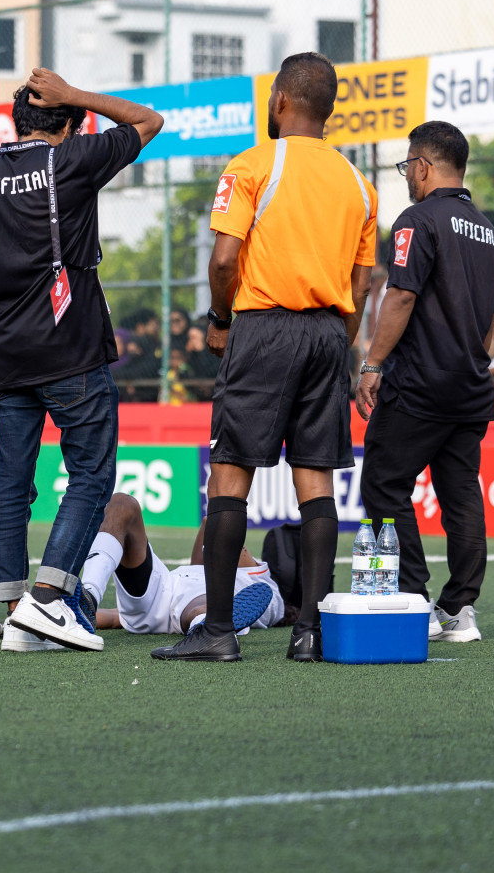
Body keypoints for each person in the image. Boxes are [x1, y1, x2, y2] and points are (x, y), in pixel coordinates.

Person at [154, 51, 376, 664]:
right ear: (327, 111)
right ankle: (310, 632)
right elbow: (361, 286)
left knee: (231, 476)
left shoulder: (254, 163)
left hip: (264, 328)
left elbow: (225, 260)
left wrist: (221, 321)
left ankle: (218, 632)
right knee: (316, 483)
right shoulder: (361, 183)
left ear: (279, 102)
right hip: (331, 332)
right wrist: (340, 338)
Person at [0, 74, 161, 653]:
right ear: (68, 123)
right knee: (92, 474)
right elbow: (148, 121)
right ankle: (47, 600)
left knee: (13, 480)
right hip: (70, 350)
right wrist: (78, 94)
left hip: (4, 352)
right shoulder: (72, 159)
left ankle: (17, 612)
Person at [357, 122, 494, 644]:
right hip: (471, 383)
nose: (407, 177)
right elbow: (490, 320)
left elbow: (399, 296)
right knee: (461, 494)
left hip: (420, 382)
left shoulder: (416, 219)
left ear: (422, 165)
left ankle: (410, 598)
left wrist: (372, 364)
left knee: (382, 483)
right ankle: (460, 610)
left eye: (406, 167)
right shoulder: (490, 233)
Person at [83, 495, 283, 642]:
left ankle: (206, 626)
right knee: (122, 504)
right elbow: (211, 527)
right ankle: (86, 599)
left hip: (201, 602)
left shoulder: (267, 589)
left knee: (205, 606)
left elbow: (220, 528)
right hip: (161, 592)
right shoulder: (216, 570)